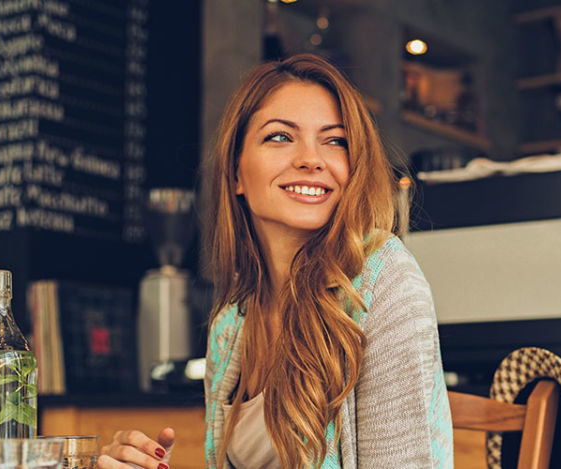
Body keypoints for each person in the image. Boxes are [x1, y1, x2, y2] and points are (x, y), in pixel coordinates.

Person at [98, 53, 452, 469]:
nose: (311, 159)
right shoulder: (230, 327)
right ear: (236, 174)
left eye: (335, 140)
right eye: (281, 137)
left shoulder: (385, 282)